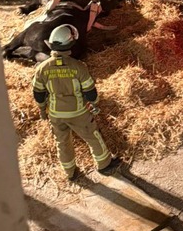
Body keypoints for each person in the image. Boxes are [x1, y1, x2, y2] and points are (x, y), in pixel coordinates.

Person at [32, 24, 121, 180]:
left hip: (55, 114)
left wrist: (42, 109)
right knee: (93, 136)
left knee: (62, 143)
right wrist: (93, 104)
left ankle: (70, 172)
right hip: (78, 113)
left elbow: (38, 93)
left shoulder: (42, 68)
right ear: (70, 43)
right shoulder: (78, 67)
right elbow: (90, 93)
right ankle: (104, 165)